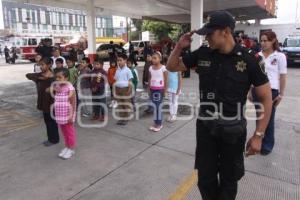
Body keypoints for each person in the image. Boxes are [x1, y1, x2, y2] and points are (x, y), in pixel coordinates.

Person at [167, 10, 273, 200]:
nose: (206, 37)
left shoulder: (249, 59)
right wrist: (179, 47)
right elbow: (172, 67)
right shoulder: (204, 53)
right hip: (206, 128)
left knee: (228, 181)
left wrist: (258, 136)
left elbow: (266, 98)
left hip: (232, 131)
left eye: (210, 32)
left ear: (225, 31)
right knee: (205, 180)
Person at [249, 31, 287, 155]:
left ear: (273, 41)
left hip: (272, 91)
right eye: (262, 40)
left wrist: (281, 94)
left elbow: (282, 76)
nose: (263, 43)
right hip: (257, 90)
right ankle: (257, 141)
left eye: (266, 40)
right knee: (259, 117)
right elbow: (251, 75)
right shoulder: (257, 56)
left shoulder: (279, 56)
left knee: (269, 119)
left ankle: (267, 145)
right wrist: (250, 90)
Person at [26, 57, 60, 146]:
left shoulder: (53, 76)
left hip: (51, 103)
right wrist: (41, 78)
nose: (41, 66)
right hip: (43, 102)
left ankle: (54, 139)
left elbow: (59, 88)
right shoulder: (40, 75)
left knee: (51, 122)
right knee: (47, 121)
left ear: (49, 65)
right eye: (40, 65)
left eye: (43, 65)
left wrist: (51, 86)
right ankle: (50, 138)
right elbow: (28, 75)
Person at [51, 68, 77, 159]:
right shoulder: (58, 86)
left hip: (68, 115)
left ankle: (71, 149)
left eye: (60, 77)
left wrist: (71, 116)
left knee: (69, 132)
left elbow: (73, 103)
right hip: (60, 114)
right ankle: (67, 147)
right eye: (56, 77)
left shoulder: (70, 89)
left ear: (66, 78)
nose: (57, 79)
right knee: (64, 132)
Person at [148, 51, 168, 132]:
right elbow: (149, 78)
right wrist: (149, 88)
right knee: (154, 106)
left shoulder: (163, 68)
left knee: (158, 106)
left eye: (155, 58)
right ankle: (156, 122)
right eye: (152, 58)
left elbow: (166, 80)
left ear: (160, 59)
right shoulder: (150, 68)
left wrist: (165, 90)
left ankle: (159, 124)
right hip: (152, 89)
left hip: (160, 90)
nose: (153, 60)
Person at [114, 53, 133, 125]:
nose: (119, 62)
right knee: (120, 104)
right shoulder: (117, 70)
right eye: (118, 60)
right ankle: (121, 118)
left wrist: (129, 89)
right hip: (118, 89)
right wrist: (115, 89)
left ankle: (126, 118)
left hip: (125, 89)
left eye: (120, 60)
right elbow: (116, 80)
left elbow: (130, 81)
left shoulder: (128, 70)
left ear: (125, 61)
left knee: (126, 104)